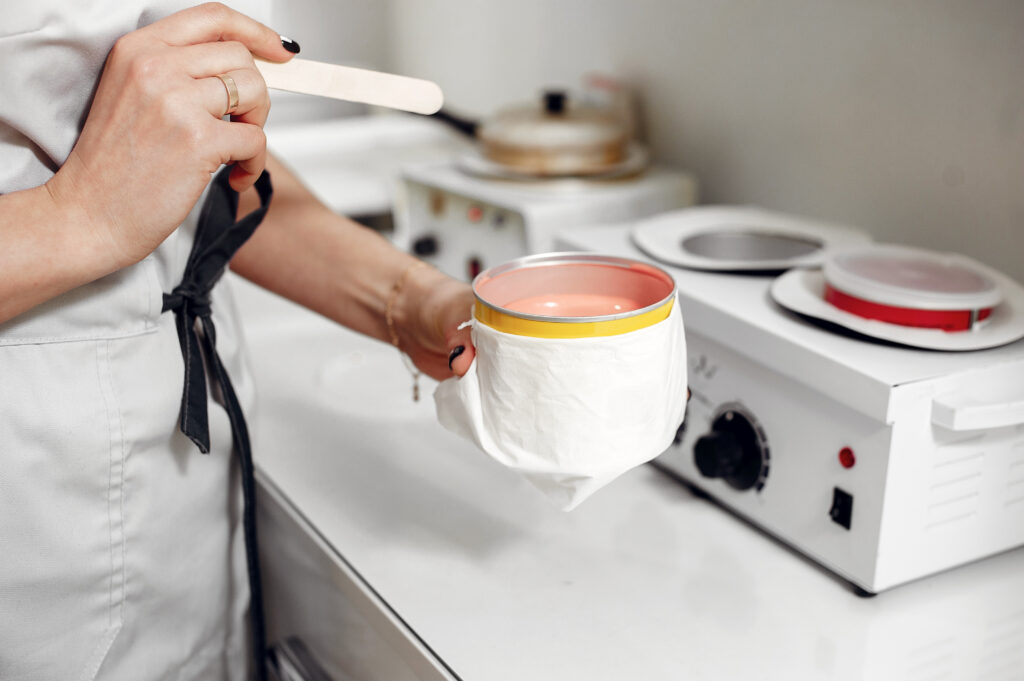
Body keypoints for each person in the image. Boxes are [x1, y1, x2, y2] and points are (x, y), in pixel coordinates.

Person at [0, 2, 475, 679]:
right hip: (25, 518)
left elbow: (182, 172)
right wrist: (73, 217)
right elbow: (111, 191)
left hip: (191, 479)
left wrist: (408, 298)